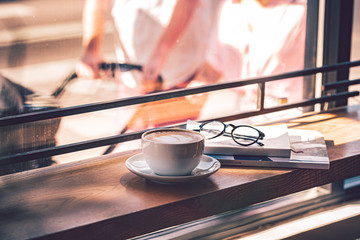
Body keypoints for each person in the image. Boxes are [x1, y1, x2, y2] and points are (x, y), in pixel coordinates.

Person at [76, 0, 221, 131]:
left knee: (170, 148)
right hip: (132, 76)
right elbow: (95, 3)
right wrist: (91, 49)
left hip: (179, 75)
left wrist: (161, 51)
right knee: (128, 147)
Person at [207, 0, 307, 112]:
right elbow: (214, 65)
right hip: (237, 108)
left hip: (286, 110)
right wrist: (194, 88)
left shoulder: (305, 10)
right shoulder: (230, 6)